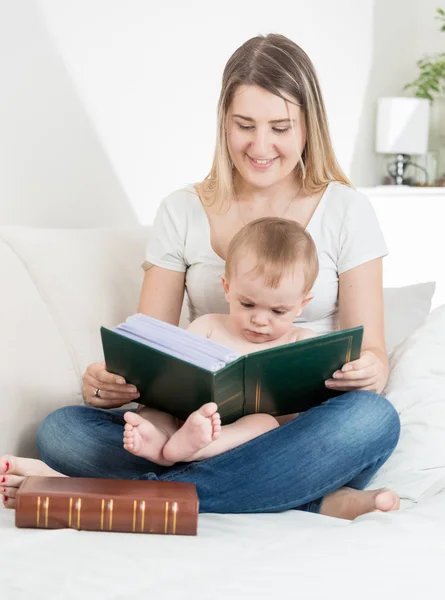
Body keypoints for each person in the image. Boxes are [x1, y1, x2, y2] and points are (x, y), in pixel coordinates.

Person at [1, 33, 401, 520]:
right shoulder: (182, 210)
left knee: (371, 420)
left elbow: (373, 353)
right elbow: (150, 347)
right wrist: (113, 384)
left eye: (280, 127)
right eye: (245, 125)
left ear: (308, 126)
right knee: (64, 430)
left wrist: (369, 370)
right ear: (223, 124)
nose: (261, 145)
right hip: (196, 426)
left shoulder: (346, 210)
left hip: (295, 431)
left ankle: (109, 497)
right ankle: (310, 496)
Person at [123, 217, 318, 465]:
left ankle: (195, 450)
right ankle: (158, 440)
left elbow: (309, 410)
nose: (259, 320)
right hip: (190, 418)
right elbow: (174, 374)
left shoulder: (302, 342)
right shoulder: (208, 326)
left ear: (302, 304)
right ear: (227, 288)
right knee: (154, 410)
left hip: (246, 441)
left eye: (278, 312)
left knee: (264, 422)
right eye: (247, 304)